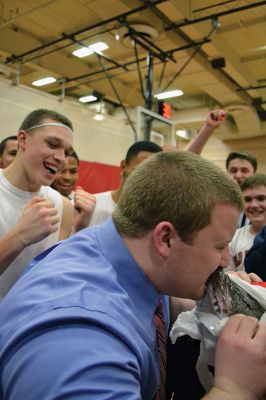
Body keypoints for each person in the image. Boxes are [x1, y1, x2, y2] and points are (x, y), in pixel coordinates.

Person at [0, 151, 265, 400]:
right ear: (166, 239)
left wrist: (207, 296)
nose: (223, 262)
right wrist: (234, 388)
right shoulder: (77, 344)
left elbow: (150, 299)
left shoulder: (122, 247)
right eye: (219, 247)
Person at [0, 109, 91, 299]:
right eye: (52, 144)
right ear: (23, 140)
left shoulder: (63, 206)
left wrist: (78, 229)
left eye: (66, 152)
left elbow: (57, 277)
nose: (61, 158)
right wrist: (19, 236)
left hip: (29, 323)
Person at [89, 109, 227, 227]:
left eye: (150, 173)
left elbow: (185, 167)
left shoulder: (154, 213)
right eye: (139, 170)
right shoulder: (92, 206)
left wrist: (207, 128)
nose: (144, 178)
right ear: (123, 166)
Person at [225, 174, 266, 273]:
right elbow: (229, 278)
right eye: (247, 200)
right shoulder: (233, 238)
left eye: (261, 198)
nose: (254, 205)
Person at [226, 151, 258, 228]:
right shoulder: (217, 201)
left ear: (254, 174)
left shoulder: (261, 205)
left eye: (244, 170)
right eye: (233, 170)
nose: (238, 175)